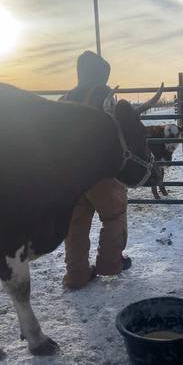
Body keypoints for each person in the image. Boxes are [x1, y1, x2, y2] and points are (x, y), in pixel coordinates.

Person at [61, 51, 131, 289]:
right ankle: (110, 264)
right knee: (114, 217)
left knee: (76, 226)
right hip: (100, 173)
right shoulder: (104, 95)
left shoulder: (65, 98)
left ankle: (76, 275)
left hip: (71, 175)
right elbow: (117, 130)